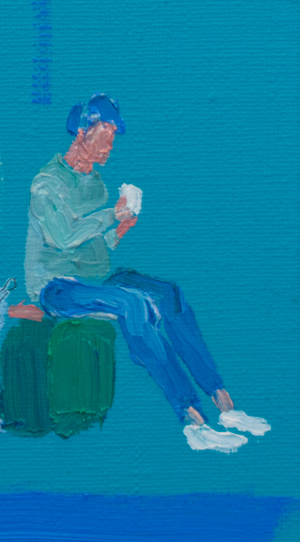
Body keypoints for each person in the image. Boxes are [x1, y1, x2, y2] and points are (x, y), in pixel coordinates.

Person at [26, 94, 270, 453]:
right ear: (82, 132)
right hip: (56, 286)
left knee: (169, 294)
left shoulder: (95, 183)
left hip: (96, 277)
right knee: (135, 304)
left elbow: (95, 246)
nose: (110, 146)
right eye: (105, 135)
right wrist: (111, 215)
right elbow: (62, 238)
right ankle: (193, 420)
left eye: (113, 137)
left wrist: (120, 230)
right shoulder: (46, 184)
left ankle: (225, 405)